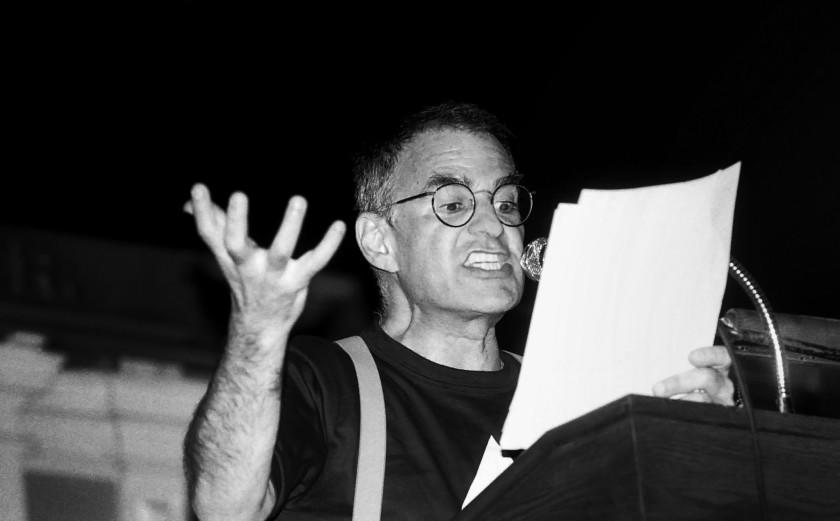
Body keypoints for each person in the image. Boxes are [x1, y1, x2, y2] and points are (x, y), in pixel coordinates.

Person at [182, 102, 735, 521]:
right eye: (453, 203)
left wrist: (694, 450)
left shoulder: (582, 397)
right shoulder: (324, 381)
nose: (495, 224)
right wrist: (257, 330)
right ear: (381, 242)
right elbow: (225, 508)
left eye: (506, 201)